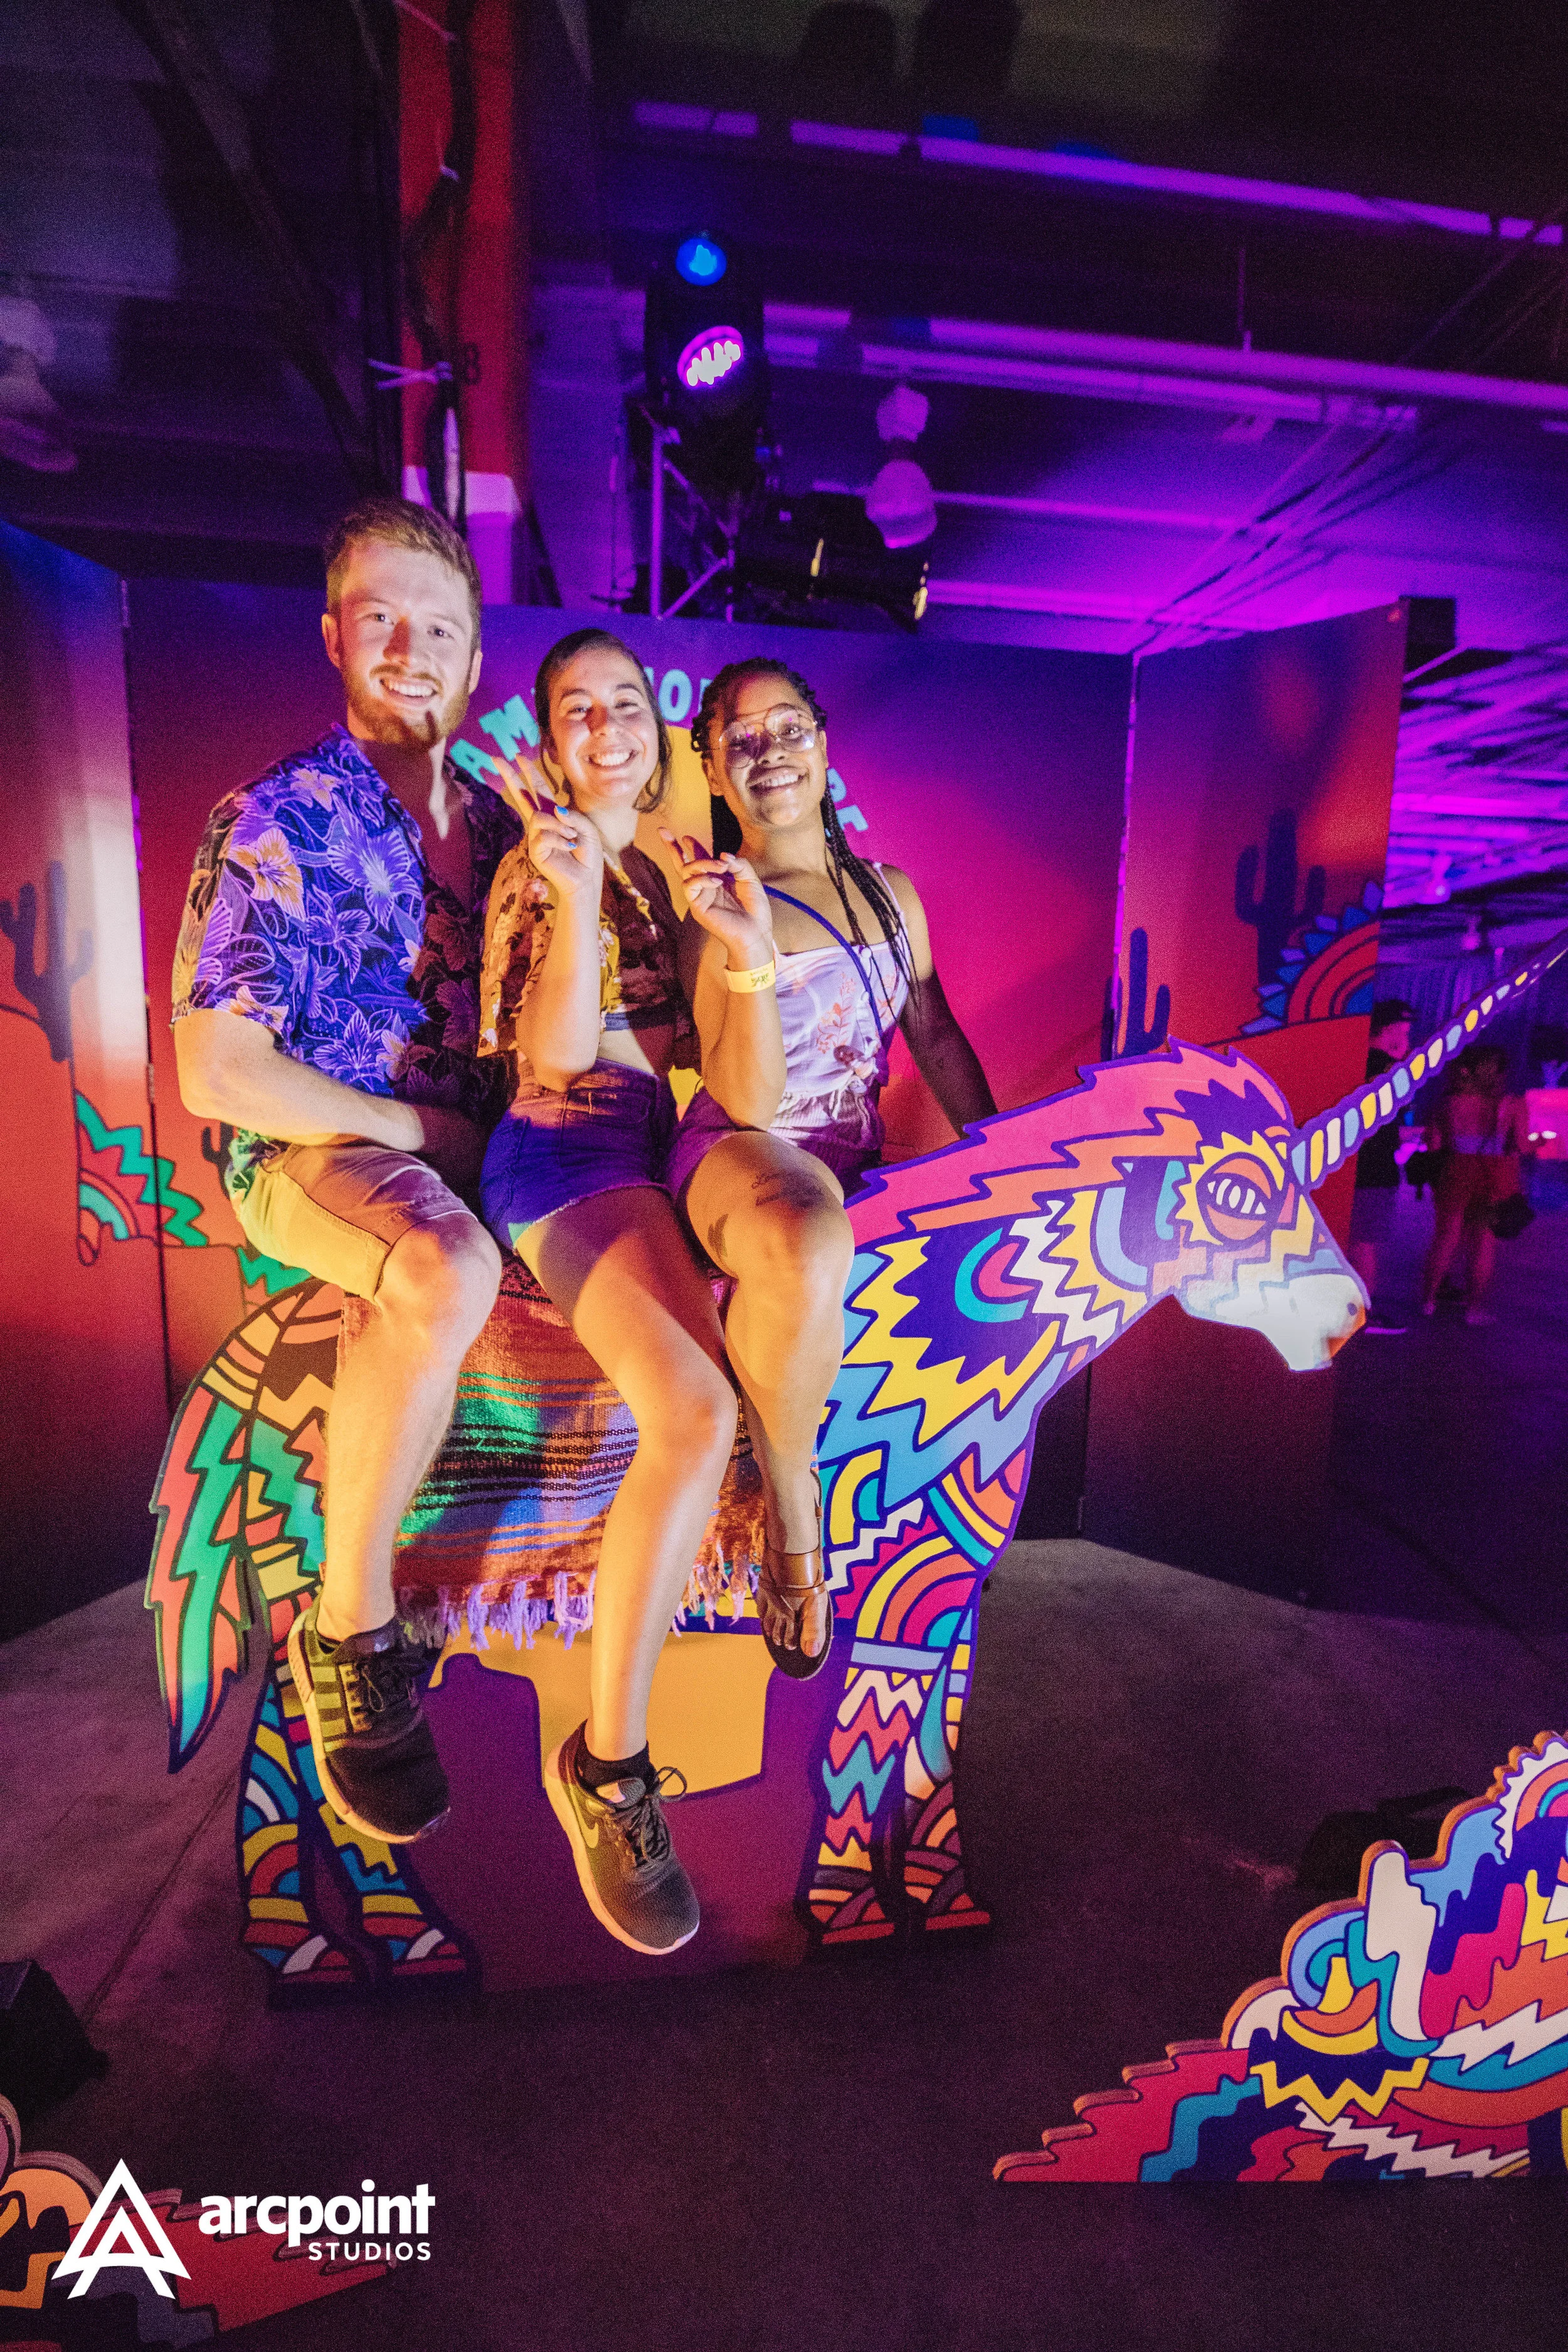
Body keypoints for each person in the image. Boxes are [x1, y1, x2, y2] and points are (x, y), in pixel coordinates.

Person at [171, 496, 518, 1848]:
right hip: (316, 1153)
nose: (409, 646)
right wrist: (424, 1137)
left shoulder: (500, 831)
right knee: (442, 1264)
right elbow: (220, 1074)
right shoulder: (273, 817)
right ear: (334, 635)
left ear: (476, 659)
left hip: (489, 1150)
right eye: (380, 616)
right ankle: (351, 1628)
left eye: (438, 626)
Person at [476, 629, 782, 1957]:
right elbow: (546, 1059)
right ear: (550, 738)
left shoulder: (686, 865)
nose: (604, 725)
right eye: (575, 709)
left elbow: (742, 1085)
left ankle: (793, 1564)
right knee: (693, 1413)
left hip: (663, 1151)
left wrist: (747, 949)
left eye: (622, 705)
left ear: (652, 733)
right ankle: (611, 1762)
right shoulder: (540, 866)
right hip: (561, 1146)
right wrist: (578, 890)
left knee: (754, 1372)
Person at [661, 657, 996, 1680]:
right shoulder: (715, 906)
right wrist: (744, 942)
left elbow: (932, 1032)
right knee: (810, 1234)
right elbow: (750, 1099)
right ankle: (792, 1513)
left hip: (856, 1161)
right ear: (714, 773)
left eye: (788, 729)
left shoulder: (891, 896)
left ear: (821, 740)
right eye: (741, 742)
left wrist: (1001, 1158)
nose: (770, 754)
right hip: (744, 1153)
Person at [1419, 1042, 1525, 1325]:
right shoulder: (1512, 1104)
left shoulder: (1449, 1102)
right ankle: (1474, 1310)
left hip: (1457, 1170)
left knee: (1445, 1239)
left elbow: (1434, 1144)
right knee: (1483, 1244)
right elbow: (1522, 1146)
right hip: (1496, 1177)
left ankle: (1428, 1302)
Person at [1346, 997, 1414, 1334]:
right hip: (1376, 1170)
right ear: (1388, 1032)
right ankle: (1361, 1317)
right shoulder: (1392, 1070)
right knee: (1365, 1243)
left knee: (1345, 1239)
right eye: (1404, 1031)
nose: (1408, 1039)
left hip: (1347, 1166)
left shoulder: (1348, 1062)